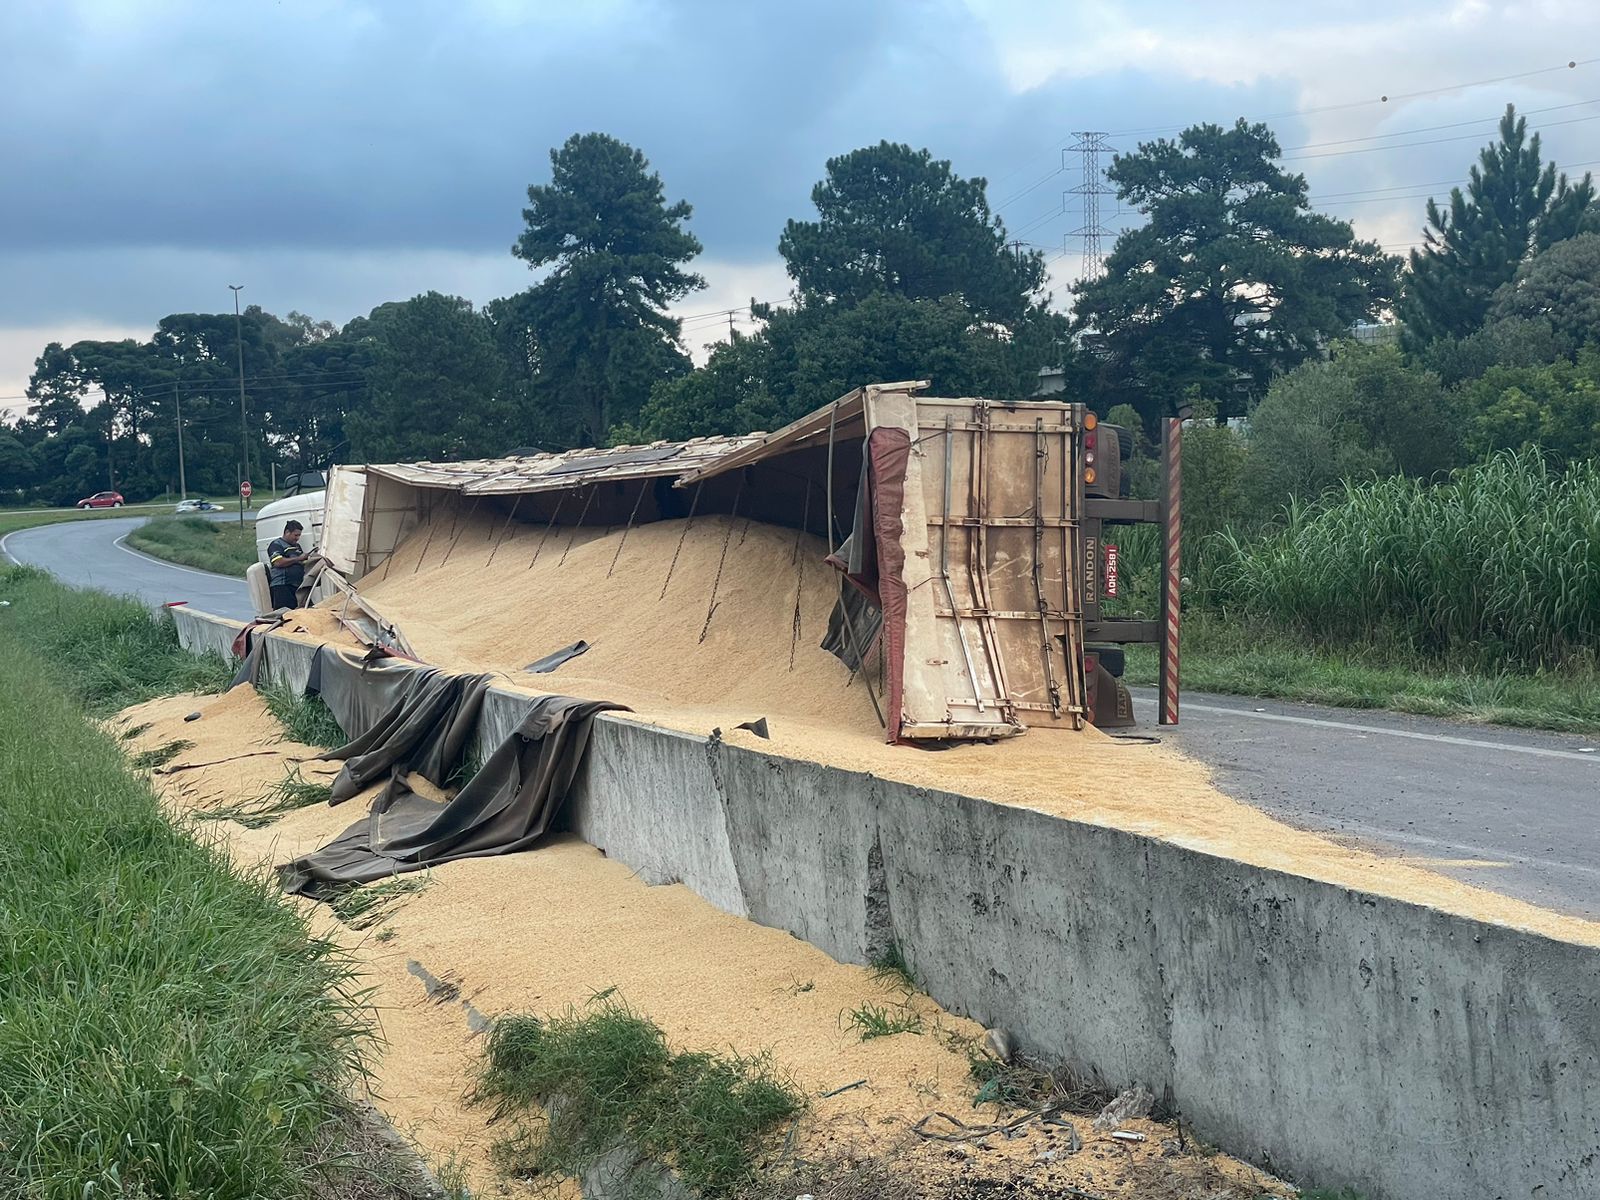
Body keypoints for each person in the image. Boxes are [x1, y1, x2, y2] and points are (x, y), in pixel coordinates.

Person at [266, 520, 311, 610]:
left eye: (299, 535)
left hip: (298, 587)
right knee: (285, 614)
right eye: (295, 535)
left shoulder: (297, 547)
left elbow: (301, 562)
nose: (297, 538)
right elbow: (278, 562)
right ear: (287, 532)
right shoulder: (276, 544)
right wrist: (299, 558)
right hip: (283, 586)